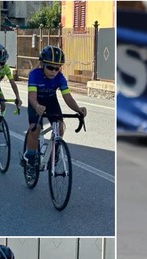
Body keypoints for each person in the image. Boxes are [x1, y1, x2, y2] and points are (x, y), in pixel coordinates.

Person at [23, 45, 87, 180]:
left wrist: (78, 109)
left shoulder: (60, 78)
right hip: (36, 102)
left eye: (57, 68)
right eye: (50, 67)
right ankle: (30, 160)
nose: (53, 71)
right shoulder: (35, 75)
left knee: (60, 126)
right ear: (42, 64)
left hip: (51, 102)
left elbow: (67, 97)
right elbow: (32, 96)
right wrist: (36, 106)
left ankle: (55, 150)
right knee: (35, 129)